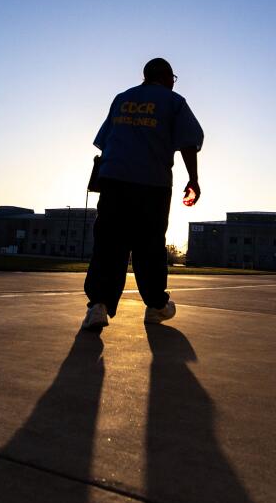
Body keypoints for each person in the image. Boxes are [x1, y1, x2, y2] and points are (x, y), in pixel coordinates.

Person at [81, 58, 204, 331]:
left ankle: (98, 306)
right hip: (152, 184)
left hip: (114, 181)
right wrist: (193, 179)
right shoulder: (174, 102)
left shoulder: (122, 99)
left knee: (109, 243)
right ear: (167, 77)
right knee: (149, 245)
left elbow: (105, 141)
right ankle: (156, 306)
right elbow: (188, 142)